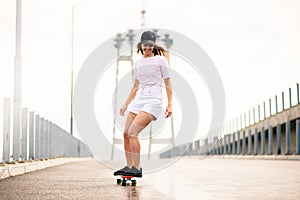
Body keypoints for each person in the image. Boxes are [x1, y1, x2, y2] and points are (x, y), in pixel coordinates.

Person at [113, 30, 173, 177]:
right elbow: (136, 86)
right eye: (145, 45)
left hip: (153, 101)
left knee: (133, 132)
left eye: (150, 45)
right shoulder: (138, 62)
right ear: (141, 45)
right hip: (139, 100)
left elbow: (167, 83)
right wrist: (126, 104)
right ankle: (129, 166)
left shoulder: (160, 60)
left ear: (154, 46)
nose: (147, 48)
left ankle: (137, 167)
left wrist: (170, 104)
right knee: (126, 134)